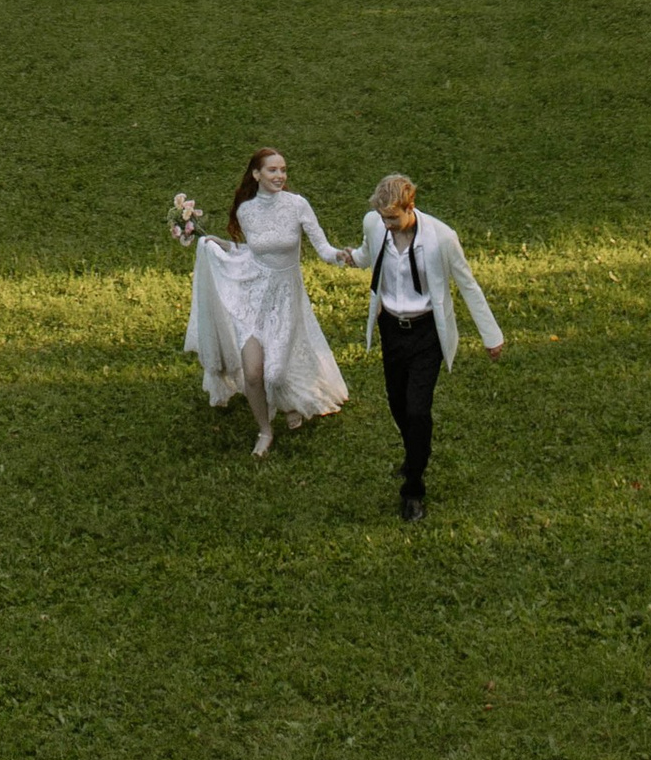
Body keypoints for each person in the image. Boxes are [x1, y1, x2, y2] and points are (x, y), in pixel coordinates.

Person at [185, 149, 354, 458]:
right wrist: (226, 246)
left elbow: (323, 247)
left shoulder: (297, 205)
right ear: (256, 174)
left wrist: (339, 256)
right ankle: (265, 430)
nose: (280, 176)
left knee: (275, 374)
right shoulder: (247, 211)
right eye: (272, 170)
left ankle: (289, 402)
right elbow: (256, 252)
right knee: (252, 373)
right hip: (252, 295)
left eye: (283, 170)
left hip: (286, 298)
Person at [355, 171, 501, 522]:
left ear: (410, 207)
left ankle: (414, 488)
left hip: (426, 333)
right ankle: (415, 451)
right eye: (383, 218)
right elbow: (367, 254)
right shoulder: (375, 225)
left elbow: (467, 284)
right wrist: (344, 256)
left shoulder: (442, 238)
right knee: (397, 403)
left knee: (418, 410)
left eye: (393, 218)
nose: (387, 225)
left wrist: (491, 336)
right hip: (392, 329)